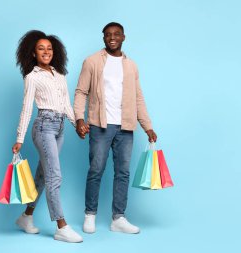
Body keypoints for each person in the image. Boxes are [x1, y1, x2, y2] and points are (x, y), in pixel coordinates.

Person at [73, 22, 158, 234]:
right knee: (96, 169)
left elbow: (138, 97)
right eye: (108, 35)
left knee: (123, 172)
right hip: (100, 125)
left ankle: (118, 218)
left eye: (116, 34)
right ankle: (90, 214)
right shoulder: (92, 61)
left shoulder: (131, 66)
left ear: (123, 37)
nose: (112, 37)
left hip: (126, 126)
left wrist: (147, 126)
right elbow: (81, 91)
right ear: (103, 38)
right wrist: (79, 119)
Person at [12, 30, 83, 243]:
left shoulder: (59, 75)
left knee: (43, 177)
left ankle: (26, 217)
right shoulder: (32, 77)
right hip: (43, 128)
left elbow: (66, 105)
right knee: (54, 176)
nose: (46, 51)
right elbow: (26, 108)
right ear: (33, 53)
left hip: (60, 127)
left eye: (49, 48)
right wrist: (19, 138)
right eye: (41, 48)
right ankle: (61, 226)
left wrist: (77, 123)